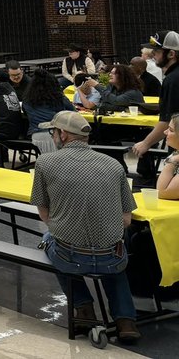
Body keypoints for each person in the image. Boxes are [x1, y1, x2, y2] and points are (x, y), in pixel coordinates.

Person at [32, 111, 139, 344]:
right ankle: (126, 321)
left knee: (50, 237)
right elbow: (126, 220)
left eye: (53, 132)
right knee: (113, 247)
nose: (52, 137)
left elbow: (43, 212)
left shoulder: (45, 162)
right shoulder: (113, 165)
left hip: (69, 256)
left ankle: (84, 310)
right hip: (112, 258)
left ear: (62, 134)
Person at [132, 31, 179, 166]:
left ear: (171, 54)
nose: (153, 55)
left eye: (157, 51)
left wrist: (145, 143)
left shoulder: (173, 79)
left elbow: (168, 120)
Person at [22, 70, 71, 155]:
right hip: (56, 134)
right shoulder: (58, 98)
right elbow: (73, 113)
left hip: (35, 135)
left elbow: (26, 114)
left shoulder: (27, 100)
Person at [157, 114, 179, 201]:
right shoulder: (176, 153)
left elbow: (163, 192)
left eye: (171, 130)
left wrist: (173, 160)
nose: (165, 132)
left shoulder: (175, 157)